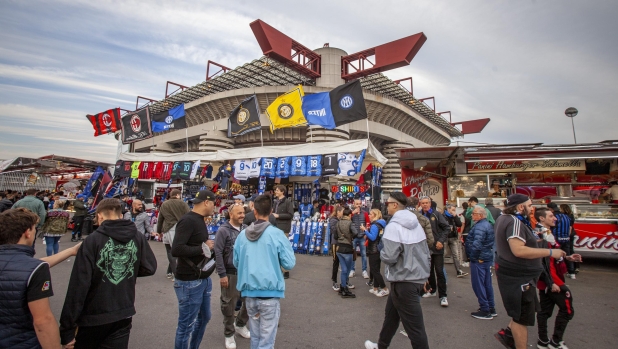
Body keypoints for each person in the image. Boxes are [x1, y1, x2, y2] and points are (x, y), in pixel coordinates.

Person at [59, 198, 157, 349]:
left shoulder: (92, 240)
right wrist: (128, 271)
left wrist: (67, 329)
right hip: (123, 312)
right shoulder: (137, 236)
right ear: (119, 215)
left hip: (94, 316)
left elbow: (78, 286)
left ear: (100, 216)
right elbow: (149, 267)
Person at [492, 194, 573, 349]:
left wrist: (540, 240)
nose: (532, 209)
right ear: (520, 207)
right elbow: (518, 250)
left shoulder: (507, 219)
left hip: (519, 276)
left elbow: (519, 243)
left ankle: (508, 334)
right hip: (518, 278)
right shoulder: (514, 221)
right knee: (521, 319)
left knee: (522, 313)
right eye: (529, 205)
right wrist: (549, 253)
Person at [0, 208, 80, 349]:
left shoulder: (28, 266)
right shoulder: (34, 269)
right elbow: (43, 321)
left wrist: (71, 251)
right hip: (21, 341)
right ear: (27, 232)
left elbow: (23, 266)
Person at [364, 192, 430, 349]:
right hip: (413, 278)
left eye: (388, 203)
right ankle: (381, 345)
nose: (386, 206)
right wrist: (425, 276)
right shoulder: (416, 223)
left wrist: (381, 249)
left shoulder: (393, 226)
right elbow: (425, 252)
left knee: (415, 329)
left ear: (395, 205)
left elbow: (389, 257)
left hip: (403, 281)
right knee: (391, 318)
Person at [233, 194, 296, 349]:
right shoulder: (277, 235)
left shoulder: (242, 235)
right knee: (266, 342)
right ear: (271, 211)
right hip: (270, 293)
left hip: (249, 293)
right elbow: (289, 263)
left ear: (254, 211)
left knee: (255, 338)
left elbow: (235, 262)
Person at [171, 190, 217, 349]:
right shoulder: (188, 220)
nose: (214, 207)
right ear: (206, 202)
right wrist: (202, 247)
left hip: (202, 278)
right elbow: (176, 249)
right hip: (189, 281)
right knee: (186, 326)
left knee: (204, 318)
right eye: (213, 203)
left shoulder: (198, 220)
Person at [534, 208, 581, 349]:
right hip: (551, 280)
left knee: (545, 311)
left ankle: (543, 341)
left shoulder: (547, 233)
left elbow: (551, 255)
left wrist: (566, 257)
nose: (555, 218)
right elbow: (541, 261)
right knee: (567, 310)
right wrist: (551, 282)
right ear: (542, 219)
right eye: (551, 216)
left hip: (550, 279)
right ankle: (555, 341)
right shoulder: (540, 235)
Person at [214, 204, 251, 349]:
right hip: (230, 273)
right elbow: (217, 253)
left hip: (246, 273)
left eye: (243, 212)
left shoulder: (247, 229)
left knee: (250, 302)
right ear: (231, 214)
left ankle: (240, 324)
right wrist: (222, 274)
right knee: (228, 306)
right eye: (239, 213)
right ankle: (229, 334)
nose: (242, 215)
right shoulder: (223, 231)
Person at [465, 206, 496, 319]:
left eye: (474, 213)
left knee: (479, 284)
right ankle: (490, 307)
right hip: (485, 257)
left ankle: (485, 309)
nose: (472, 215)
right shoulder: (485, 225)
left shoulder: (480, 227)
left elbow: (476, 244)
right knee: (486, 284)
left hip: (479, 258)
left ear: (481, 215)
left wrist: (472, 257)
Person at [419, 196, 450, 307]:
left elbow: (447, 228)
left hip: (437, 248)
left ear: (430, 203)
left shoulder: (436, 214)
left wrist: (441, 241)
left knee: (439, 271)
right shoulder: (419, 215)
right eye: (423, 203)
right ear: (420, 204)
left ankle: (443, 296)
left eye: (427, 202)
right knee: (429, 271)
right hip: (425, 248)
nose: (425, 205)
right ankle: (432, 290)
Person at [157, 189, 190, 280]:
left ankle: (170, 271)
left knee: (170, 252)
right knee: (178, 252)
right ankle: (176, 275)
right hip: (178, 228)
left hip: (167, 229)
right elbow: (189, 216)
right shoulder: (183, 204)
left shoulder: (164, 204)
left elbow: (160, 219)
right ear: (177, 195)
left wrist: (159, 231)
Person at [360, 209, 388, 297]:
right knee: (376, 269)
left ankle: (384, 288)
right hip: (378, 249)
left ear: (375, 215)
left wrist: (365, 230)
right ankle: (376, 288)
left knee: (374, 270)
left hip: (374, 250)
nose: (369, 215)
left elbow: (372, 238)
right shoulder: (381, 224)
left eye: (371, 214)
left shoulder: (375, 225)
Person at [333, 207, 360, 298]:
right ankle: (344, 288)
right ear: (349, 215)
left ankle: (342, 287)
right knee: (346, 270)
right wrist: (350, 236)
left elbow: (335, 235)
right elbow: (356, 233)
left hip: (339, 248)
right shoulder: (350, 223)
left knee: (343, 269)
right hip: (348, 249)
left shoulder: (338, 223)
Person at [547, 203, 576, 279]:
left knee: (555, 256)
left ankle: (556, 272)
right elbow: (570, 227)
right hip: (566, 238)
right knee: (567, 255)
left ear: (551, 209)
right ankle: (572, 272)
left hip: (556, 238)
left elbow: (550, 228)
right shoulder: (566, 216)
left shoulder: (554, 217)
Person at [272, 185, 293, 279]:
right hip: (274, 227)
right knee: (275, 249)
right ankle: (277, 269)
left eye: (277, 190)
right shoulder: (275, 202)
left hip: (284, 228)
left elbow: (290, 215)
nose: (275, 191)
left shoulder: (288, 202)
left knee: (283, 249)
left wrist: (278, 216)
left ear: (282, 191)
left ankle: (286, 271)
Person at [444, 203, 467, 278]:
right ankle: (442, 271)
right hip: (445, 238)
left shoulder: (453, 217)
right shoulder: (443, 216)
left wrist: (455, 216)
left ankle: (459, 270)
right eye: (453, 210)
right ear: (448, 209)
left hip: (453, 237)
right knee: (443, 254)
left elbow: (459, 224)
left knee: (456, 255)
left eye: (455, 210)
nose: (454, 211)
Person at [350, 198, 371, 279]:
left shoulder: (365, 213)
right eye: (357, 204)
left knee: (364, 254)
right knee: (353, 254)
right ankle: (352, 270)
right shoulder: (351, 213)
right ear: (354, 204)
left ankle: (364, 270)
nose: (358, 205)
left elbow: (368, 223)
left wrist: (366, 232)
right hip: (354, 237)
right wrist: (352, 213)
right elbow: (347, 220)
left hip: (362, 236)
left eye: (359, 203)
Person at [560, 204, 579, 274]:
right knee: (571, 250)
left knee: (567, 251)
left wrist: (568, 235)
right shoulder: (571, 215)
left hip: (567, 234)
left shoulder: (564, 216)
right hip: (571, 234)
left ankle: (570, 269)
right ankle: (575, 266)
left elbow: (569, 227)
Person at [329, 205, 343, 291]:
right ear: (338, 212)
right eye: (342, 211)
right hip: (335, 243)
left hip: (341, 242)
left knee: (343, 263)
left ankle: (344, 281)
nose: (343, 213)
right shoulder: (333, 220)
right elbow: (334, 231)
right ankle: (334, 281)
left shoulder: (341, 219)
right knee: (336, 262)